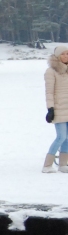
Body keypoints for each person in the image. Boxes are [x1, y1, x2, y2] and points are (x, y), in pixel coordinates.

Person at [43, 45, 68, 173]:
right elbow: (49, 92)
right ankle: (47, 165)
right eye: (63, 54)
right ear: (57, 56)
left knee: (67, 138)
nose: (65, 56)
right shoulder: (51, 71)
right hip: (59, 109)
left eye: (67, 54)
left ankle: (63, 164)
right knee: (61, 136)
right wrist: (50, 108)